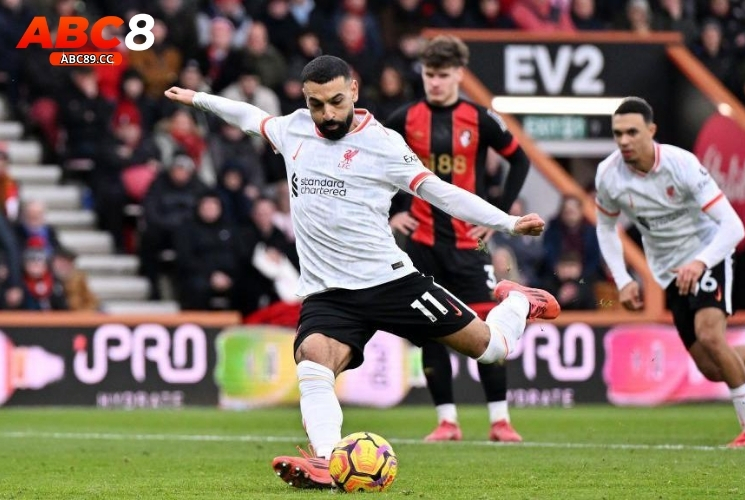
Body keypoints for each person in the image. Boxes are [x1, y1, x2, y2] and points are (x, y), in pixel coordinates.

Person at [164, 54, 560, 489]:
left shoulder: (383, 144)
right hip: (328, 293)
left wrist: (507, 222)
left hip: (391, 283)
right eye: (317, 104)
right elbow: (251, 117)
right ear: (305, 98)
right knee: (312, 360)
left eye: (336, 101)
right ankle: (328, 461)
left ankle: (521, 300)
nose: (327, 114)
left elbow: (439, 192)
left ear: (353, 90)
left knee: (492, 349)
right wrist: (199, 98)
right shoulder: (293, 128)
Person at [594, 96, 745, 448]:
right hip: (669, 272)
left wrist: (701, 261)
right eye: (618, 134)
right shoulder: (609, 176)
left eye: (632, 132)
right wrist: (624, 279)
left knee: (710, 335)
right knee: (712, 366)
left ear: (651, 131)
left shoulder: (681, 165)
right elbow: (605, 228)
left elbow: (732, 227)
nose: (624, 140)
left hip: (709, 256)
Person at [385, 35, 531, 443]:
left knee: (487, 328)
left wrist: (500, 216)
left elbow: (520, 158)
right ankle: (447, 421)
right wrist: (395, 211)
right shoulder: (403, 118)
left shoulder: (480, 118)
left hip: (471, 245)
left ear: (459, 76)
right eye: (429, 74)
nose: (435, 82)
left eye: (443, 75)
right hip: (423, 244)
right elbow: (373, 166)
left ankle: (500, 421)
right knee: (431, 330)